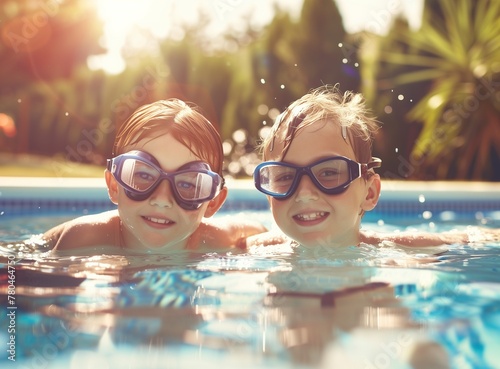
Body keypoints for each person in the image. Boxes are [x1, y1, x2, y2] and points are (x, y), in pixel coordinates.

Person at [250, 85, 498, 249]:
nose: (303, 193)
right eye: (284, 177)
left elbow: (469, 239)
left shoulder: (393, 247)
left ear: (369, 193)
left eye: (328, 173)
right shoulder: (256, 249)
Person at [44, 99, 266, 253]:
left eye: (188, 184)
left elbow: (259, 231)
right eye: (142, 174)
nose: (162, 199)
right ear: (114, 185)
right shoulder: (84, 239)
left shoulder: (217, 240)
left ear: (213, 202)